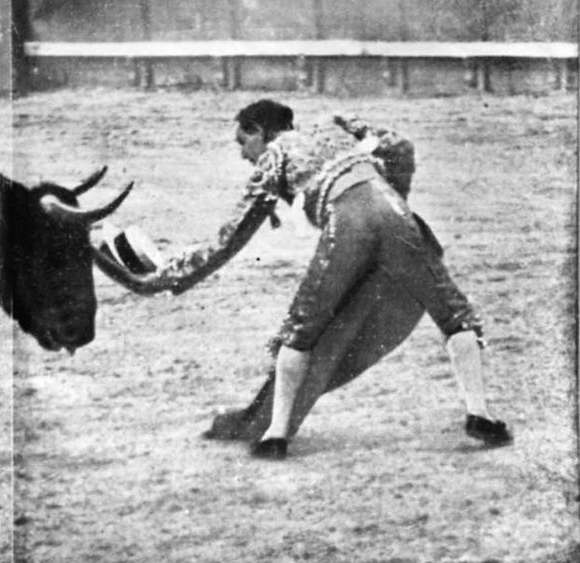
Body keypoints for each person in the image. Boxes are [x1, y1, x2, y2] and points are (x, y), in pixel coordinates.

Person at [96, 99, 513, 460]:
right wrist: (395, 193)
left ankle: (276, 434)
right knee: (454, 315)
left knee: (303, 325)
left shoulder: (275, 159)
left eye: (243, 143)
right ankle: (480, 413)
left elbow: (229, 240)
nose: (244, 155)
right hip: (394, 212)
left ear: (259, 132)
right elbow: (400, 145)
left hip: (348, 221)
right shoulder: (336, 125)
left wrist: (170, 277)